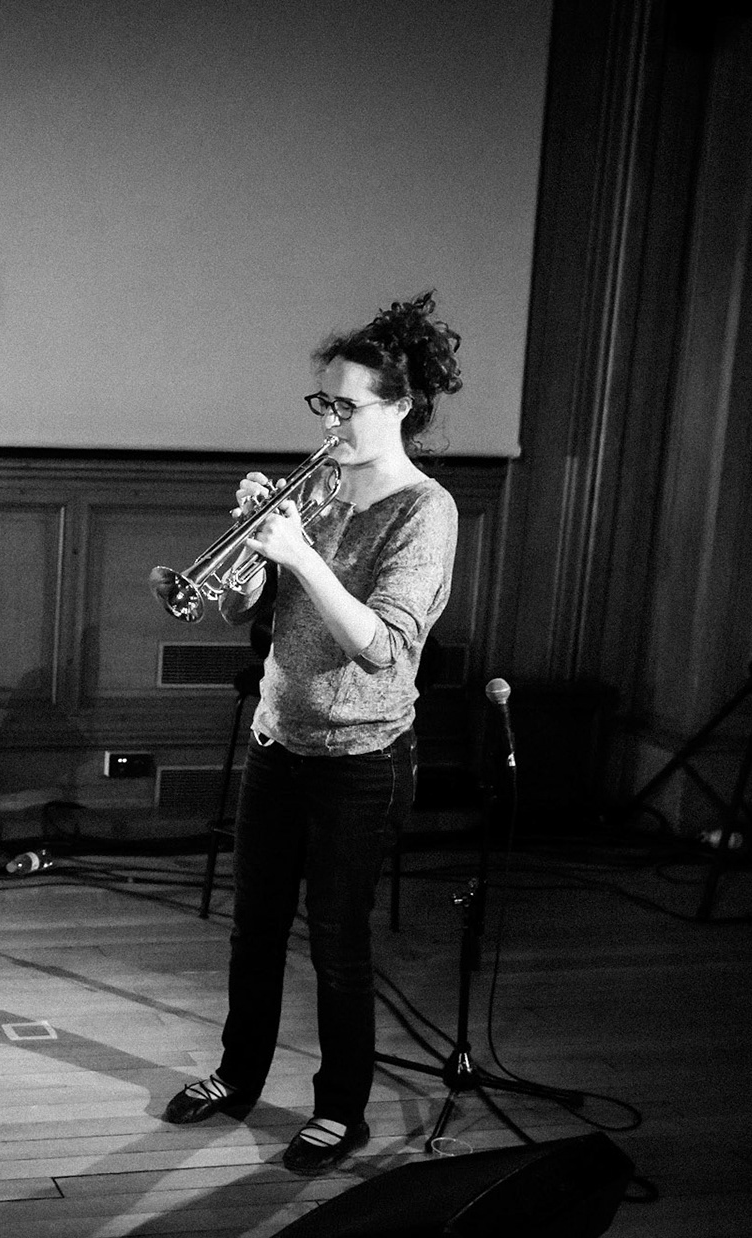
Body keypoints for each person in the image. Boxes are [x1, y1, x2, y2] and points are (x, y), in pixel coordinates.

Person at [161, 292, 462, 1175]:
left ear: (401, 407)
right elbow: (246, 610)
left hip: (360, 759)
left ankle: (342, 1111)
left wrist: (301, 554)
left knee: (337, 941)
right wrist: (257, 547)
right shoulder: (320, 487)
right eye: (322, 403)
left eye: (349, 406)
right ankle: (237, 1074)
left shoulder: (423, 511)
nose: (331, 421)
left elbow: (383, 645)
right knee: (253, 929)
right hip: (276, 740)